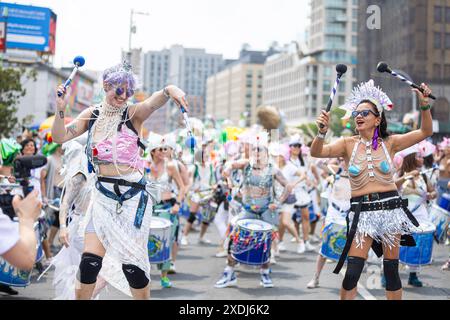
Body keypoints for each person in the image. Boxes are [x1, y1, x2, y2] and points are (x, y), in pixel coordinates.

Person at [51, 61, 188, 300]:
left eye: (129, 91)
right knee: (89, 264)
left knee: (133, 269)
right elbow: (60, 136)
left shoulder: (132, 114)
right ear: (106, 86)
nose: (124, 96)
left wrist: (169, 89)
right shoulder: (91, 115)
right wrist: (60, 108)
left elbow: (153, 102)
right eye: (119, 90)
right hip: (102, 199)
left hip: (132, 202)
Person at [311, 80, 433, 300]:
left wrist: (424, 105)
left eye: (365, 113)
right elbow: (318, 153)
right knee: (353, 272)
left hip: (390, 211)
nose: (359, 116)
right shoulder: (346, 144)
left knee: (391, 271)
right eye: (357, 113)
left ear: (377, 119)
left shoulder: (391, 143)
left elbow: (425, 131)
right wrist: (321, 133)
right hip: (362, 213)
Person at [215, 134, 293, 289]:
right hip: (248, 209)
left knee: (266, 242)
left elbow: (288, 186)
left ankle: (265, 274)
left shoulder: (273, 170)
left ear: (266, 154)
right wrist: (227, 170)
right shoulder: (246, 164)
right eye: (255, 151)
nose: (257, 154)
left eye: (260, 151)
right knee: (234, 238)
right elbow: (231, 164)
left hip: (266, 211)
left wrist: (277, 203)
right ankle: (229, 272)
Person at [147, 133, 187, 288]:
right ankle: (145, 274)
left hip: (167, 208)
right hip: (149, 208)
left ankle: (164, 276)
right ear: (152, 151)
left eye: (165, 149)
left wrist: (177, 204)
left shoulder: (170, 166)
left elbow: (182, 187)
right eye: (160, 149)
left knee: (165, 241)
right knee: (146, 241)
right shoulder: (145, 166)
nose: (164, 152)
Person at [281, 135, 316, 253]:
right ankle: (281, 241)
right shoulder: (286, 161)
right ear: (289, 147)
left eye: (299, 145)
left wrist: (310, 181)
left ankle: (305, 241)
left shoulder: (304, 160)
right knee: (285, 219)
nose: (296, 148)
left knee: (305, 216)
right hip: (289, 193)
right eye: (294, 145)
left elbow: (306, 174)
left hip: (301, 192)